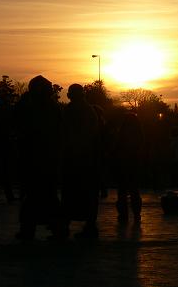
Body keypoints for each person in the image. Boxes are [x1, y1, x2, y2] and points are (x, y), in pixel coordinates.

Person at [14, 75, 62, 240]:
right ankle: (55, 228)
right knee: (46, 195)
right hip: (46, 158)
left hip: (35, 158)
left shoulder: (30, 107)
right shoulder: (53, 108)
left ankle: (31, 229)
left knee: (34, 195)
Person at [59, 84, 101, 238]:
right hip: (84, 158)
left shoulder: (74, 111)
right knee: (83, 194)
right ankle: (85, 226)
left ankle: (69, 227)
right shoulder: (87, 111)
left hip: (78, 158)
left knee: (74, 193)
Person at [113, 111, 143, 223]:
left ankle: (123, 214)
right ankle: (136, 214)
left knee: (122, 192)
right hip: (134, 165)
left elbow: (116, 148)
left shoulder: (122, 133)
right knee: (134, 191)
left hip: (122, 165)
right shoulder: (139, 135)